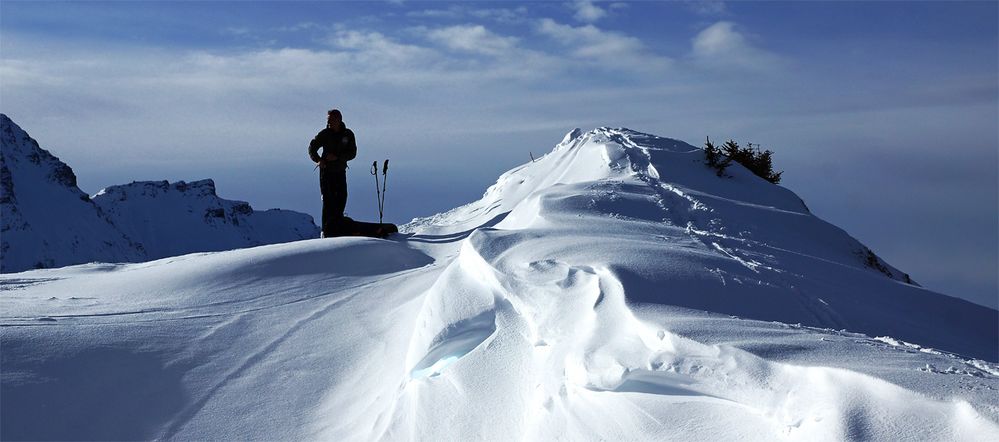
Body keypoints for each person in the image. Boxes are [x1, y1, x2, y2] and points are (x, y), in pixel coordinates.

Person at [309, 109, 357, 237]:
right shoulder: (324, 134)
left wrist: (337, 157)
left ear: (339, 120)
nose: (329, 122)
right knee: (328, 200)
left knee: (342, 197)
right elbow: (312, 147)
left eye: (331, 120)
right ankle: (327, 230)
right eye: (328, 120)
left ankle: (338, 223)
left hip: (340, 171)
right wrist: (318, 159)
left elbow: (352, 153)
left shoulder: (348, 134)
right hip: (326, 172)